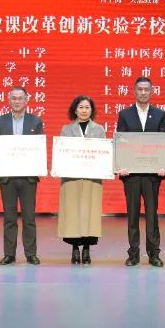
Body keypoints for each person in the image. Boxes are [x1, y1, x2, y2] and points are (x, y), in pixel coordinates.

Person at [116, 76, 165, 267]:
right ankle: (133, 254)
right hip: (130, 174)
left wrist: (164, 165)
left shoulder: (160, 114)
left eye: (147, 89)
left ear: (152, 91)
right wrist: (120, 165)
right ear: (134, 91)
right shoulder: (125, 114)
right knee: (132, 215)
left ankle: (154, 254)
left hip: (152, 174)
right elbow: (120, 142)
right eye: (140, 89)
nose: (143, 92)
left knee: (152, 216)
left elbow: (163, 142)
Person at [0, 86, 45, 265]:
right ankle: (9, 254)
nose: (17, 101)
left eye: (20, 98)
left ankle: (31, 253)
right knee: (9, 217)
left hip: (28, 177)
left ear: (26, 100)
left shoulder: (35, 121)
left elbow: (39, 149)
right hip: (7, 177)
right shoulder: (0, 122)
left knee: (29, 217)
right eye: (13, 98)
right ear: (9, 100)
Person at [57, 95, 106, 265]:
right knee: (73, 213)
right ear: (75, 110)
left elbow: (103, 154)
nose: (84, 110)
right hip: (71, 178)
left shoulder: (99, 130)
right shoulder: (66, 129)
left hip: (92, 178)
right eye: (81, 107)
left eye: (87, 107)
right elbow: (61, 153)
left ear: (92, 110)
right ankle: (74, 249)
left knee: (89, 212)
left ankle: (86, 249)